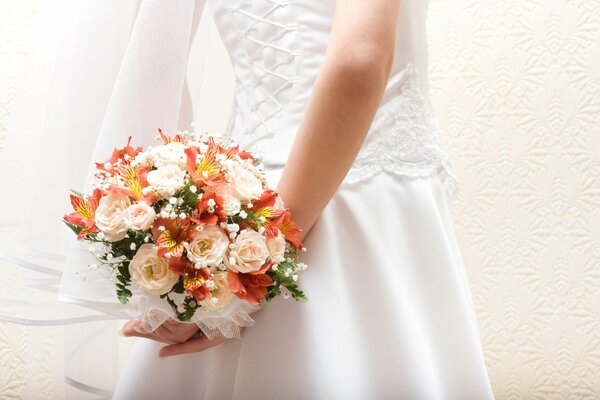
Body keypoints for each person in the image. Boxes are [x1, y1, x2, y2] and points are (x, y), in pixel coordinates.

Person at [0, 0, 494, 398]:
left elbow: (151, 64)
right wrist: (255, 265)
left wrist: (186, 256)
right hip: (354, 207)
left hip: (243, 209)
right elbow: (359, 60)